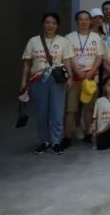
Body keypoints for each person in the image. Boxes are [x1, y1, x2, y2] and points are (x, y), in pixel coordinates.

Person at [20, 13, 74, 155]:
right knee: (41, 112)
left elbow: (67, 60)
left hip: (57, 80)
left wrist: (70, 78)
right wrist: (23, 81)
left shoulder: (63, 41)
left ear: (57, 25)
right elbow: (27, 62)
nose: (50, 25)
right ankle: (45, 141)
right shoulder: (33, 41)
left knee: (57, 111)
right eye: (47, 22)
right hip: (38, 80)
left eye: (53, 23)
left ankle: (56, 141)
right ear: (43, 24)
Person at [65, 10, 107, 146]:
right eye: (81, 19)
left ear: (90, 21)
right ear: (76, 22)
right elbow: (68, 57)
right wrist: (77, 71)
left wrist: (92, 71)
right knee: (71, 109)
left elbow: (99, 56)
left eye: (86, 19)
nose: (84, 22)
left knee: (90, 108)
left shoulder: (96, 37)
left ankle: (89, 133)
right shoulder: (69, 38)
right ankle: (67, 137)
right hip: (75, 77)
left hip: (90, 78)